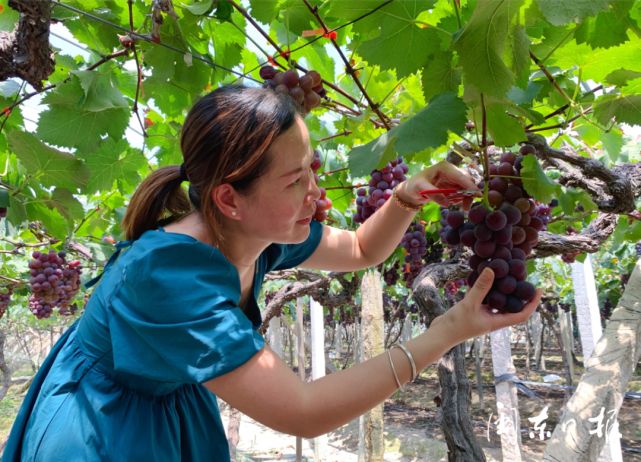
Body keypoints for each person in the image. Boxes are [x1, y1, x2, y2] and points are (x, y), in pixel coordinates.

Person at [2, 85, 542, 461]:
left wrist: (406, 196)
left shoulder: (255, 232)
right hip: (103, 425)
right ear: (229, 199)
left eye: (312, 168)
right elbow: (303, 412)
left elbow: (356, 248)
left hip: (165, 399)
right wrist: (446, 332)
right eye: (294, 181)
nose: (316, 193)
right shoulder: (168, 278)